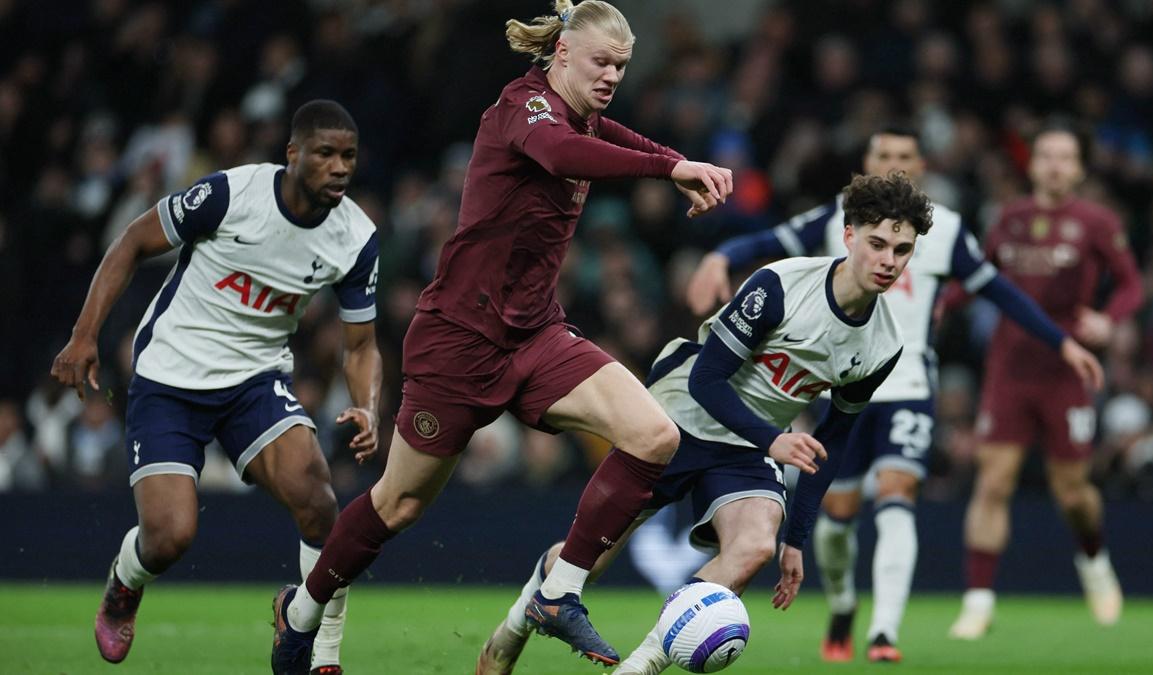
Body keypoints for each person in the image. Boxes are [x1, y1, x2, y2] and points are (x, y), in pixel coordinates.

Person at [269, 2, 734, 672]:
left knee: (654, 436)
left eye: (623, 66)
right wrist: (669, 170)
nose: (612, 76)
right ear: (563, 53)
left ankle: (560, 590)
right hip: (459, 340)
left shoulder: (584, 116)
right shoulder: (525, 108)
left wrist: (675, 159)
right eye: (602, 62)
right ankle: (303, 609)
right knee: (396, 504)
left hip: (535, 334)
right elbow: (563, 152)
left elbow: (612, 136)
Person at [479, 172, 931, 675]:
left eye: (903, 249)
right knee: (593, 558)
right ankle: (514, 628)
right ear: (848, 236)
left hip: (749, 447)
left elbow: (832, 444)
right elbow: (708, 380)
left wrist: (797, 540)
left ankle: (640, 667)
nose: (889, 260)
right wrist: (775, 440)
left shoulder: (884, 345)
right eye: (877, 243)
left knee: (757, 544)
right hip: (678, 417)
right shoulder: (780, 285)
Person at [685, 126, 1105, 662]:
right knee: (836, 517)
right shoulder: (842, 216)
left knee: (897, 495)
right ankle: (842, 603)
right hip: (842, 382)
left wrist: (1061, 342)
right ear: (866, 162)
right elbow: (773, 242)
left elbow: (999, 290)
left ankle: (884, 630)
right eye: (884, 155)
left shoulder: (945, 229)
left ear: (922, 164)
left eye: (905, 156)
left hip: (906, 382)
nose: (894, 165)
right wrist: (722, 255)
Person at [50, 100, 382, 675]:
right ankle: (124, 583)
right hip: (171, 375)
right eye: (325, 153)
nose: (339, 167)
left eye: (348, 156)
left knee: (319, 501)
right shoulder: (233, 194)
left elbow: (360, 346)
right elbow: (131, 241)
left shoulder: (355, 238)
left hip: (254, 381)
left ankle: (316, 649)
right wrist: (85, 336)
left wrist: (368, 406)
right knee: (170, 537)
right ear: (293, 154)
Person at [949, 121, 1143, 639]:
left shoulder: (1097, 222)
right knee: (992, 481)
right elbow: (977, 278)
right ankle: (978, 601)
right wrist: (938, 305)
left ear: (1078, 168)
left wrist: (1110, 319)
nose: (1055, 165)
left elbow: (1131, 284)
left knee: (1073, 493)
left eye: (1065, 157)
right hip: (1010, 367)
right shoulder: (1007, 219)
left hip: (1066, 368)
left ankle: (1095, 562)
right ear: (1032, 165)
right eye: (1046, 156)